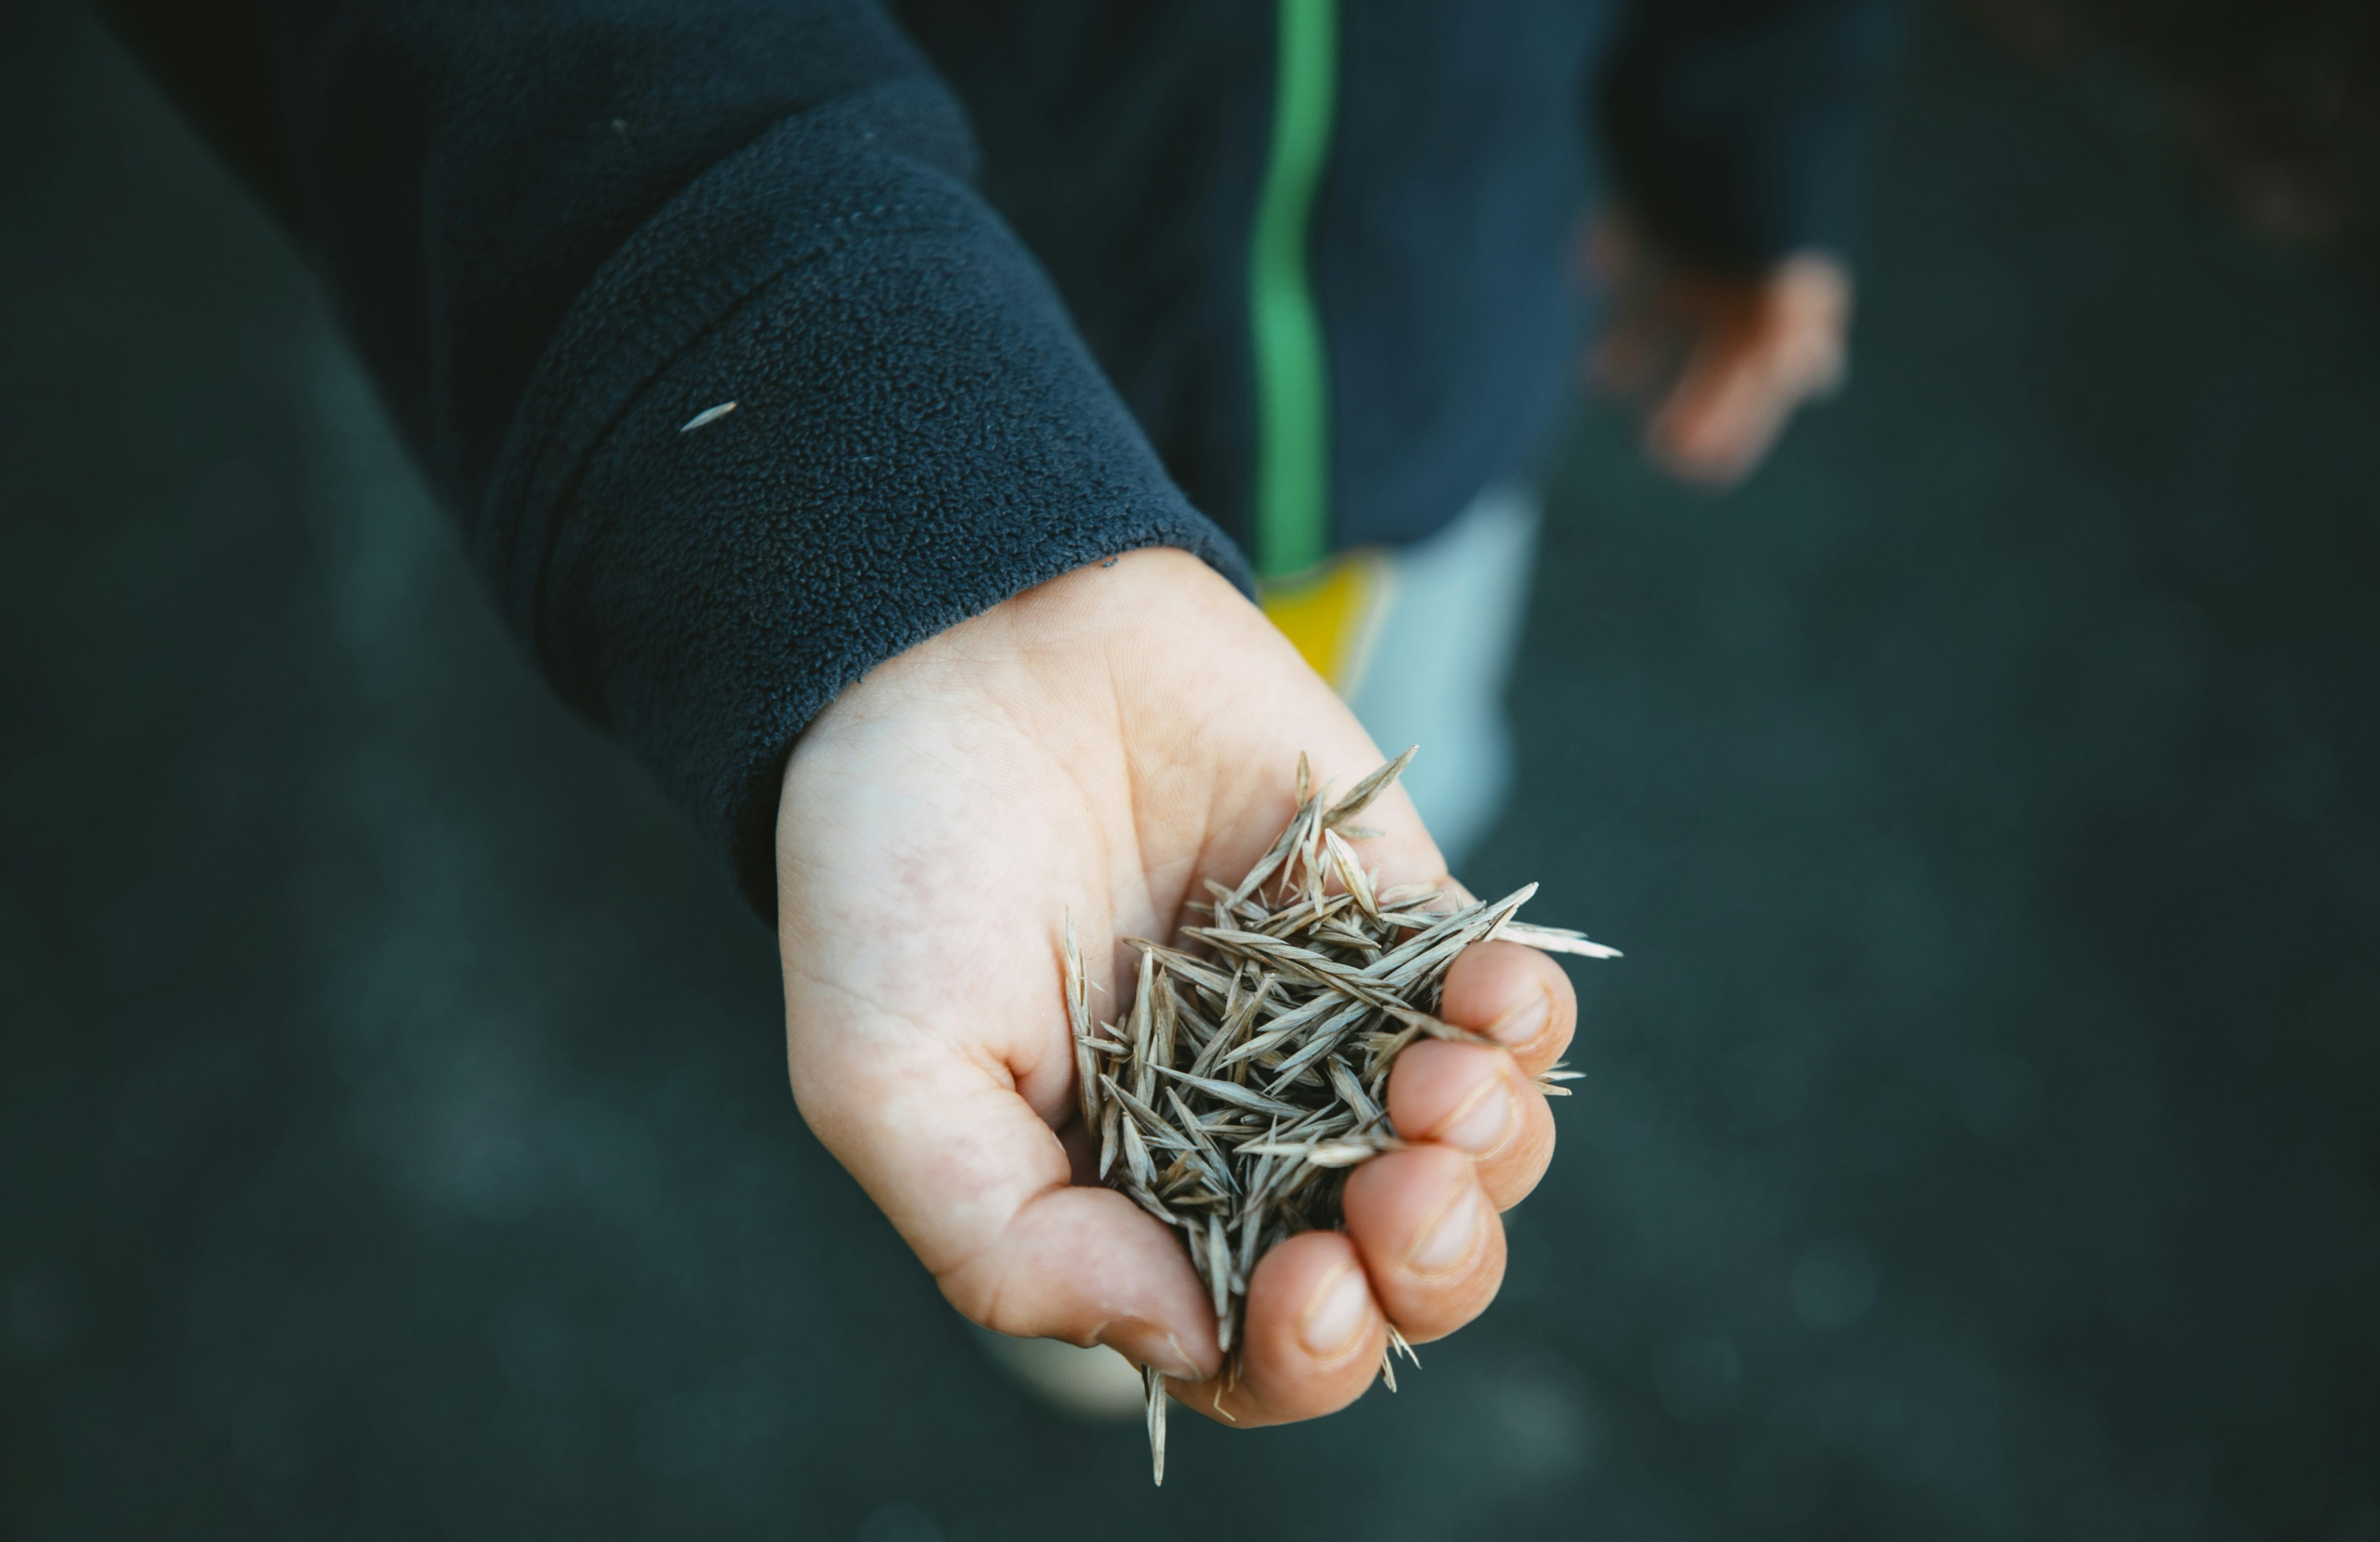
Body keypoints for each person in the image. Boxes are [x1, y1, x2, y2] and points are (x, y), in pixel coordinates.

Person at [94, 0, 1892, 1431]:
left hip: (1433, 369)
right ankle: (1020, 1104)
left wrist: (1761, 122)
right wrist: (842, 421)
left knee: (1387, 742)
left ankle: (1095, 1153)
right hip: (992, 348)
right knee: (979, 840)